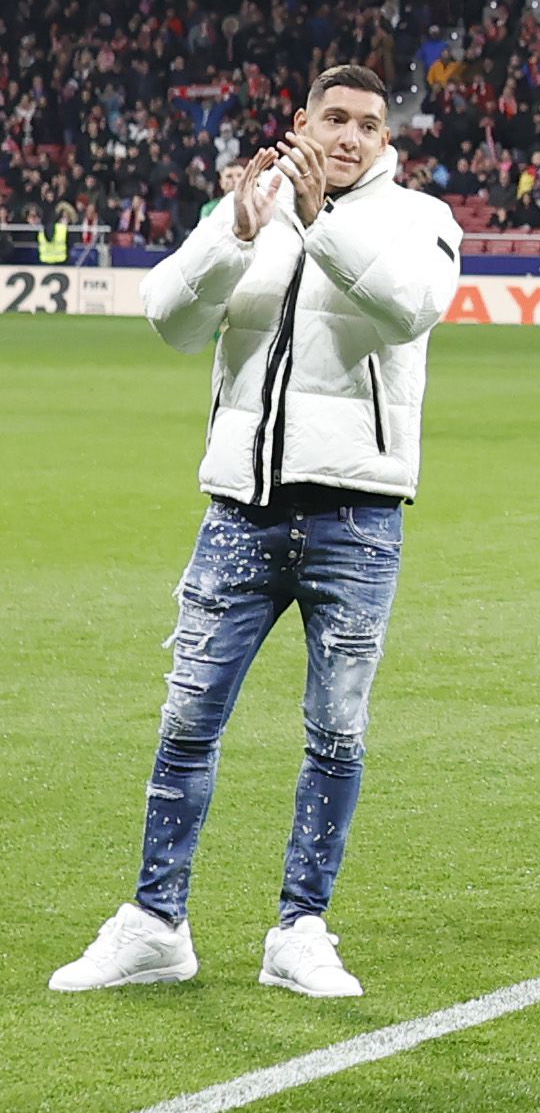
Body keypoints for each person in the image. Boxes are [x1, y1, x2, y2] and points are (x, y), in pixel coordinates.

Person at [53, 64, 461, 1002]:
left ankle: (300, 928)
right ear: (303, 121)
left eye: (368, 123)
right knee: (187, 721)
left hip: (356, 516)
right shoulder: (254, 204)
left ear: (386, 138)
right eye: (335, 118)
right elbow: (169, 319)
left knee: (335, 734)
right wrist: (233, 236)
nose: (351, 135)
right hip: (239, 509)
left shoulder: (420, 218)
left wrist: (323, 222)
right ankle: (156, 923)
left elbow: (411, 306)